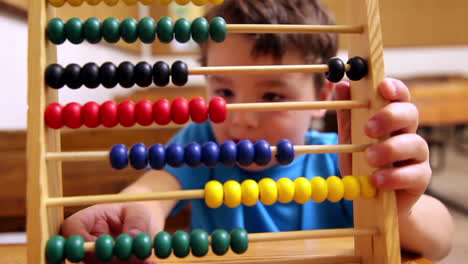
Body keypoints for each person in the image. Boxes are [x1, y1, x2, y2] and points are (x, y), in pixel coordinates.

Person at [61, 0, 454, 263]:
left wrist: (398, 208)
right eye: (224, 90)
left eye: (270, 95)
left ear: (322, 95)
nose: (241, 117)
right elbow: (155, 188)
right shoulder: (203, 142)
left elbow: (440, 242)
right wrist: (137, 212)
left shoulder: (344, 159)